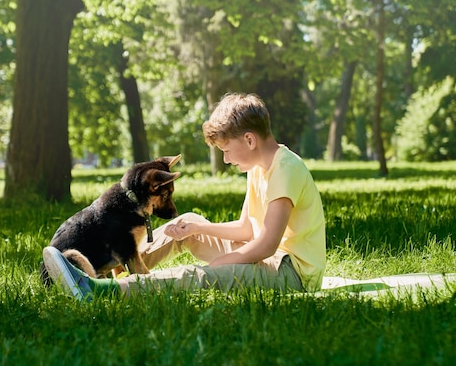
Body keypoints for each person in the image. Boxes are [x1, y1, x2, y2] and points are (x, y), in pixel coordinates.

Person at [42, 92, 326, 301]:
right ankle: (105, 266)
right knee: (188, 223)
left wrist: (222, 263)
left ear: (250, 140)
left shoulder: (285, 170)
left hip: (291, 274)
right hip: (267, 258)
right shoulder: (257, 168)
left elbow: (265, 244)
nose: (226, 160)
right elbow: (248, 228)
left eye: (226, 150)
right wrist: (198, 228)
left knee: (202, 275)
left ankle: (102, 290)